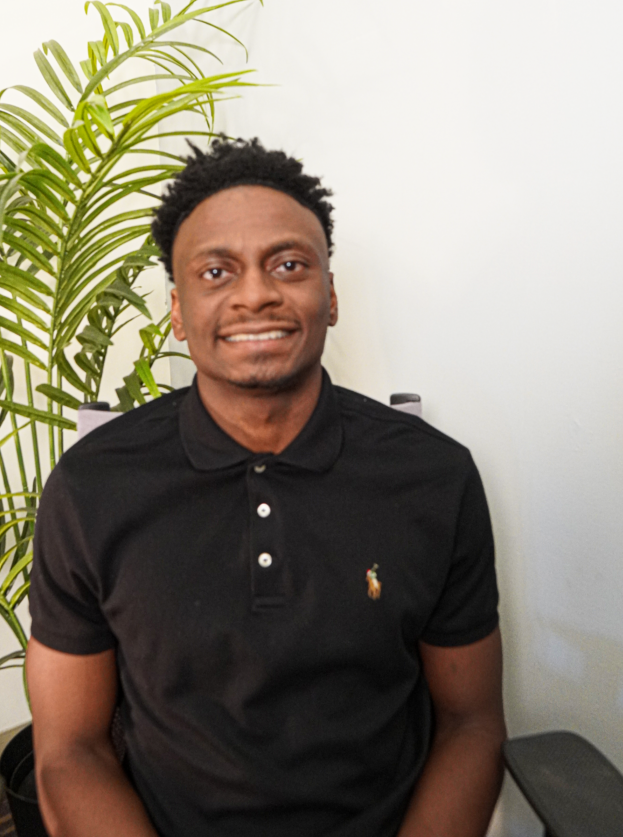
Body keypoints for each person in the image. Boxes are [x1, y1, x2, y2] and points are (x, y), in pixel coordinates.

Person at [26, 138, 506, 837]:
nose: (255, 294)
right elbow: (70, 751)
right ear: (177, 311)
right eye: (216, 271)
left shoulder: (434, 477)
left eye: (288, 264)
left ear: (330, 297)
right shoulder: (90, 489)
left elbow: (470, 723)